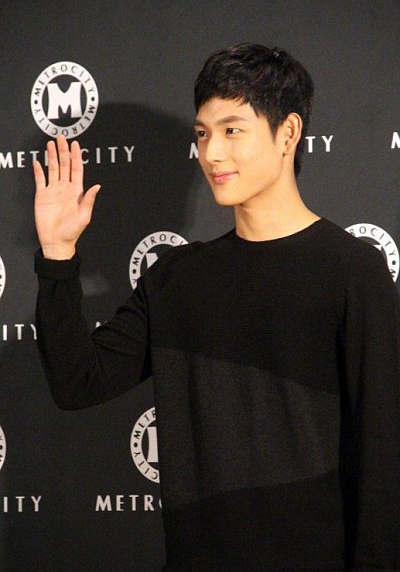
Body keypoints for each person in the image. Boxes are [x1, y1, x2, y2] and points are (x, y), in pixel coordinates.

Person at [33, 43, 399, 571]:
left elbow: (383, 457)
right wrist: (58, 254)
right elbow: (77, 382)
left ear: (288, 133)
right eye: (203, 134)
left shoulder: (352, 271)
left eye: (232, 130)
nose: (212, 154)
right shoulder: (176, 278)